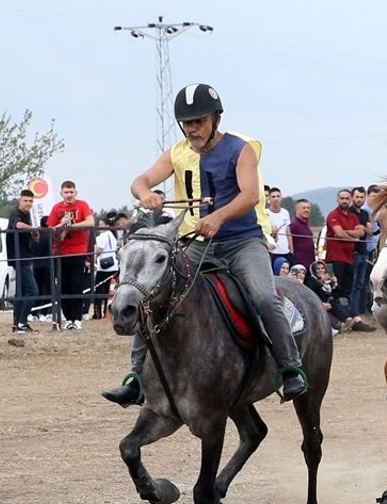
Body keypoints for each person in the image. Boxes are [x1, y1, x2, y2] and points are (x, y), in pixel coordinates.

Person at [102, 82, 309, 405]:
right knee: (150, 293)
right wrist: (146, 195)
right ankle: (136, 379)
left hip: (242, 242)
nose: (192, 128)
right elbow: (139, 181)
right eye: (187, 123)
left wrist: (219, 217)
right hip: (195, 243)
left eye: (199, 121)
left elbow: (250, 195)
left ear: (216, 119)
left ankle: (289, 367)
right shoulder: (177, 152)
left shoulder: (242, 150)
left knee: (264, 297)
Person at [46, 181, 96, 330]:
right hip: (60, 252)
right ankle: (68, 319)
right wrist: (62, 225)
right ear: (61, 193)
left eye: (71, 192)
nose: (69, 195)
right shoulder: (57, 208)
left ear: (76, 193)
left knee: (76, 285)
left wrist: (71, 226)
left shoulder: (82, 205)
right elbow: (50, 229)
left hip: (77, 251)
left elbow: (90, 222)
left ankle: (77, 318)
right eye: (66, 192)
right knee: (63, 286)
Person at [325, 189, 366, 319]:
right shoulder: (333, 215)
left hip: (349, 258)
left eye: (347, 198)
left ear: (350, 200)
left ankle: (350, 317)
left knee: (347, 291)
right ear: (337, 200)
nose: (344, 201)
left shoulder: (354, 217)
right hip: (335, 258)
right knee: (335, 290)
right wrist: (353, 237)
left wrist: (346, 233)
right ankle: (339, 319)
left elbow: (361, 233)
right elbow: (339, 233)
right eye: (342, 198)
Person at [8, 189, 39, 333]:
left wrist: (33, 235)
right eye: (25, 200)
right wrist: (33, 229)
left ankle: (18, 324)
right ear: (19, 201)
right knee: (33, 291)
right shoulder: (16, 213)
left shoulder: (28, 214)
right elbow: (18, 225)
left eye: (31, 201)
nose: (28, 203)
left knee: (22, 292)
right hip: (19, 258)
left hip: (25, 256)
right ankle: (21, 322)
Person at [92, 210, 123, 319]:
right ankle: (107, 311)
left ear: (105, 225)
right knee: (110, 291)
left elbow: (99, 250)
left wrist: (94, 252)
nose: (99, 227)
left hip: (103, 266)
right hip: (113, 264)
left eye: (101, 225)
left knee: (99, 291)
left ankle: (97, 313)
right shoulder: (112, 234)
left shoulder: (102, 236)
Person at [350, 186, 375, 316]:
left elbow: (370, 232)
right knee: (353, 282)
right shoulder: (349, 212)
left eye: (361, 197)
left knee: (362, 283)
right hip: (353, 251)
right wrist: (363, 229)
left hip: (364, 250)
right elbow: (355, 232)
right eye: (357, 197)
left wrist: (363, 229)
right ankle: (352, 310)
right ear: (352, 198)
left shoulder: (365, 214)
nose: (359, 199)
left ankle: (360, 310)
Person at [266, 187, 292, 269]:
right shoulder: (266, 213)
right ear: (269, 198)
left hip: (285, 251)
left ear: (281, 198)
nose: (276, 199)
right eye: (273, 197)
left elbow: (288, 232)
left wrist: (291, 249)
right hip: (272, 251)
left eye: (278, 196)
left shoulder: (285, 213)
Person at [289, 198, 317, 271]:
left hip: (310, 263)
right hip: (299, 265)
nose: (306, 210)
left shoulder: (306, 224)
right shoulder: (293, 225)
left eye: (308, 208)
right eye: (304, 208)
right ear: (297, 210)